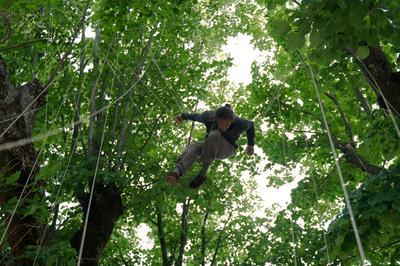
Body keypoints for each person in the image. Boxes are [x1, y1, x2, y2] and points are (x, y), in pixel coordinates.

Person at [165, 104, 255, 188]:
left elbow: (251, 125)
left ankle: (202, 174)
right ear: (216, 119)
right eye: (220, 123)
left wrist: (250, 144)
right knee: (194, 146)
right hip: (210, 144)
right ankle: (176, 172)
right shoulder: (209, 117)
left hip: (227, 148)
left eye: (227, 124)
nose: (223, 127)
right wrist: (182, 116)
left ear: (232, 121)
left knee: (215, 134)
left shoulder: (240, 123)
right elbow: (196, 116)